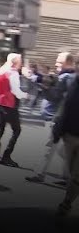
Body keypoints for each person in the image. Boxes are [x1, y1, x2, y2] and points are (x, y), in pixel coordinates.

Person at [26, 52, 76, 184]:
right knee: (63, 149)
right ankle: (67, 177)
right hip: (59, 117)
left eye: (60, 62)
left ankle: (39, 174)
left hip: (56, 118)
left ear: (69, 63)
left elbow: (54, 97)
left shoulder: (66, 77)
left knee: (48, 146)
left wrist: (43, 87)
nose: (56, 63)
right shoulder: (67, 76)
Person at [53, 61, 79, 218]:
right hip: (69, 136)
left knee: (76, 176)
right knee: (71, 174)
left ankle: (66, 204)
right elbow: (66, 107)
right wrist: (59, 130)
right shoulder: (73, 82)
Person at [0, 53, 28, 166]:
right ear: (14, 62)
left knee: (1, 130)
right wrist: (25, 95)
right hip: (9, 105)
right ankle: (6, 156)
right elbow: (15, 91)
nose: (21, 63)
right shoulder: (12, 73)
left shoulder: (0, 70)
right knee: (17, 130)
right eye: (20, 61)